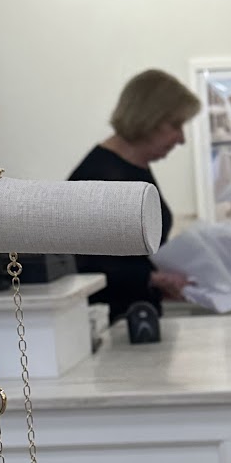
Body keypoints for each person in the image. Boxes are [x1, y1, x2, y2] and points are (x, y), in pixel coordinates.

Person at [69, 69, 201, 323]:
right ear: (148, 118)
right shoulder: (99, 175)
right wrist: (153, 279)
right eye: (175, 126)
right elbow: (84, 266)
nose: (181, 139)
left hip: (137, 315)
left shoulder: (134, 167)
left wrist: (157, 280)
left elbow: (131, 256)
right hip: (108, 323)